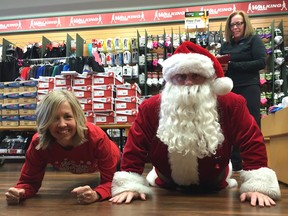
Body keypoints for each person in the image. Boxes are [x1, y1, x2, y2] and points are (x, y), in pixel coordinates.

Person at [109, 41, 281, 207]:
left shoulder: (230, 103)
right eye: (181, 76)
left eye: (195, 76)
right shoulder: (151, 107)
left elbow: (250, 140)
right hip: (165, 187)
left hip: (216, 186)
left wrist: (258, 185)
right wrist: (129, 184)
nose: (188, 82)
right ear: (170, 79)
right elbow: (136, 146)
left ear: (208, 78)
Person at [5, 89, 121, 205]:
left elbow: (110, 182)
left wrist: (97, 194)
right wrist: (20, 192)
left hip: (116, 160)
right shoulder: (39, 143)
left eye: (68, 117)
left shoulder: (96, 137)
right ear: (45, 121)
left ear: (77, 117)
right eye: (54, 118)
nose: (62, 124)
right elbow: (28, 182)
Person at [219, 10, 266, 172]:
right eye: (232, 24)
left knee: (252, 123)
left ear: (245, 24)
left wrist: (233, 66)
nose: (235, 27)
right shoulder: (226, 45)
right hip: (230, 88)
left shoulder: (254, 40)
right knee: (231, 125)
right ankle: (236, 164)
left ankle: (256, 164)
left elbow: (261, 62)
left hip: (249, 86)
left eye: (239, 23)